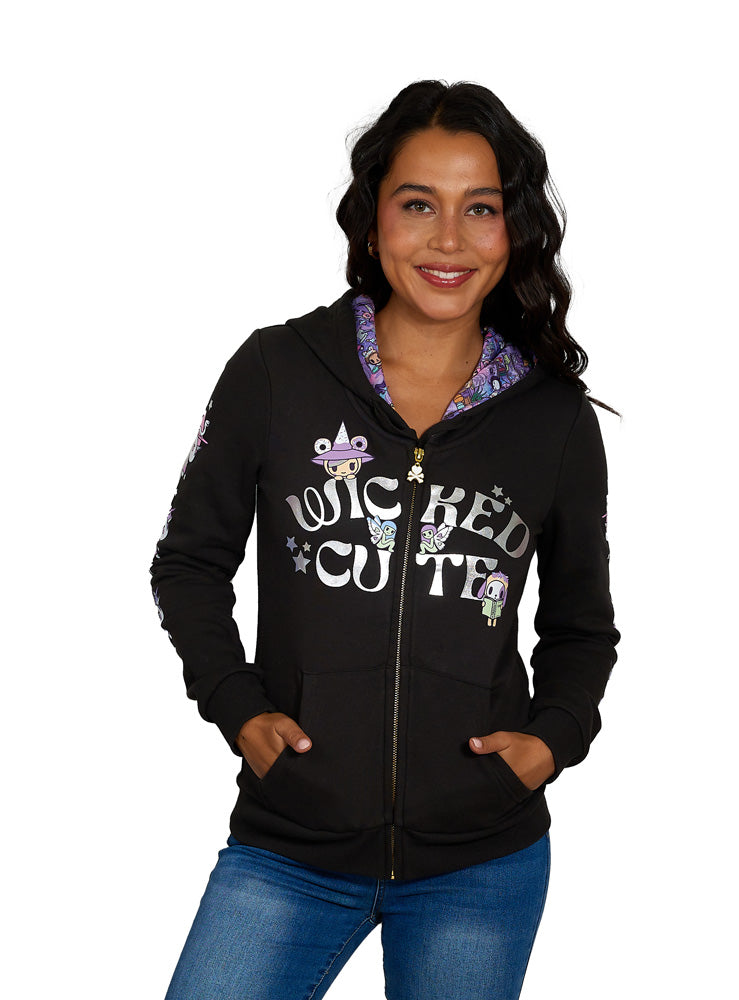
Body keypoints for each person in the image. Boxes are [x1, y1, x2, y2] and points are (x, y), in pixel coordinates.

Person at [150, 79, 620, 1000]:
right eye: (417, 205)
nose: (448, 240)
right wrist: (238, 707)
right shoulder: (276, 372)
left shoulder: (553, 420)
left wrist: (552, 741)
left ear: (514, 231)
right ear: (372, 223)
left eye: (480, 208)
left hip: (481, 862)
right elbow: (189, 563)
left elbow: (581, 628)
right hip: (290, 845)